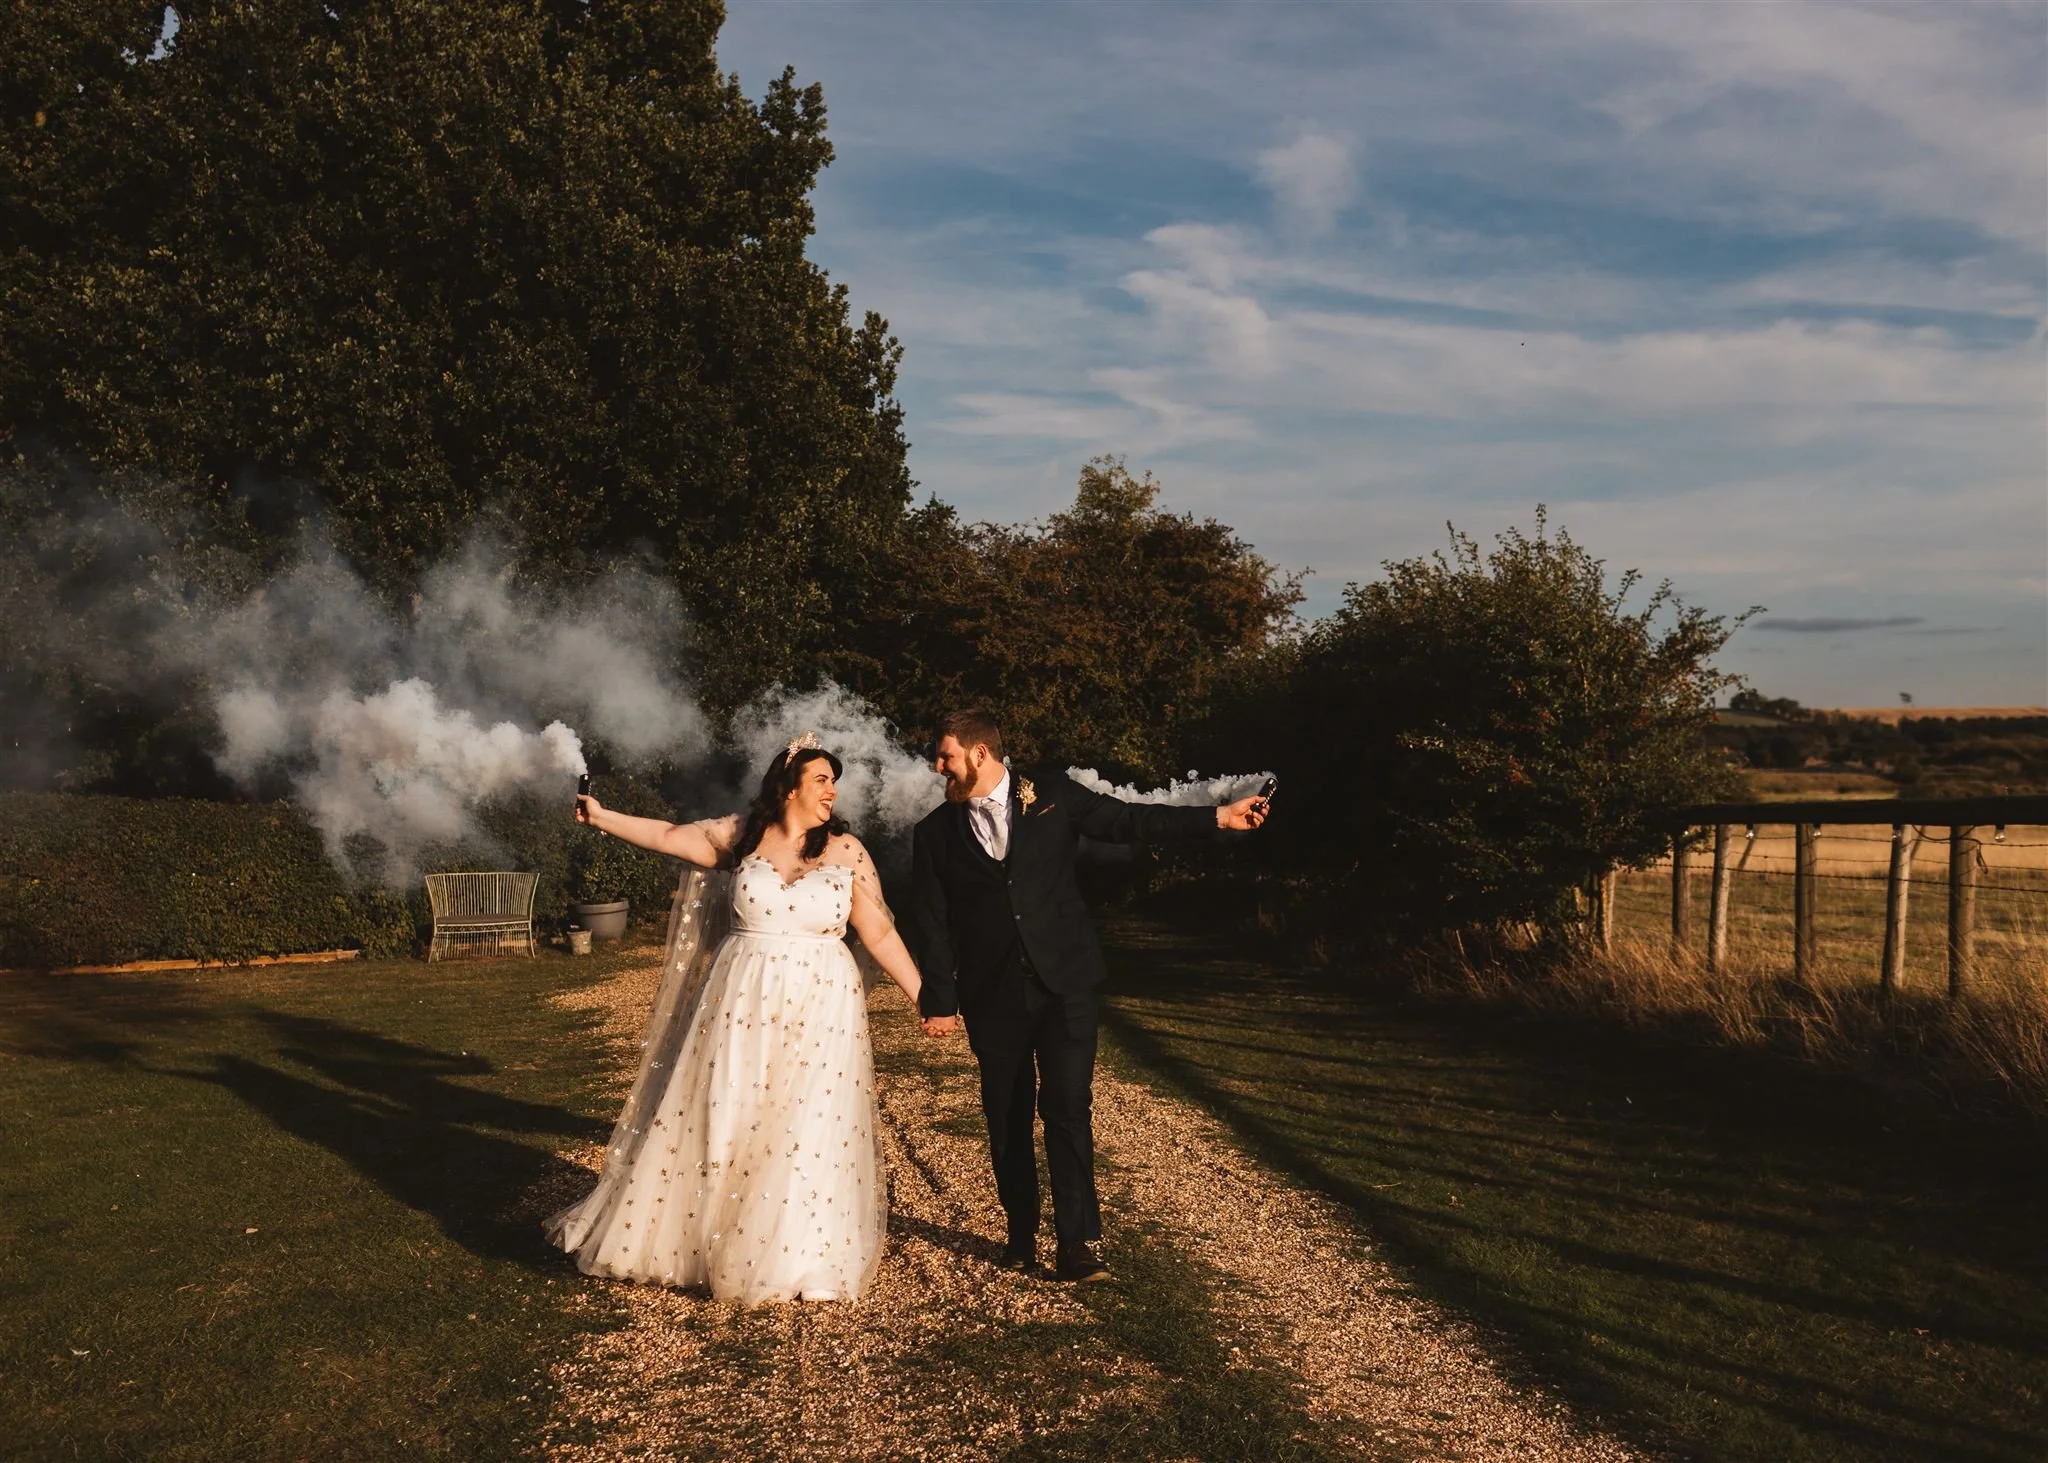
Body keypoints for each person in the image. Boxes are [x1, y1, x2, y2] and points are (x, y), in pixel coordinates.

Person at [545, 735, 924, 1304]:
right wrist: (603, 817)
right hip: (742, 1000)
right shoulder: (742, 834)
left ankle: (799, 1255)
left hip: (824, 1005)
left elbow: (880, 932)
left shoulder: (847, 851)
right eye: (822, 779)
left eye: (833, 781)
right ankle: (700, 1242)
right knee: (728, 1108)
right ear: (790, 784)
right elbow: (671, 837)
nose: (832, 791)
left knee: (808, 1121)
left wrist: (926, 997)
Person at [907, 708, 1269, 1282]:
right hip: (992, 994)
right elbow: (930, 920)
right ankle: (1020, 1234)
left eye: (945, 754)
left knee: (1068, 1111)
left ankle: (1078, 1244)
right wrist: (940, 998)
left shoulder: (1051, 794)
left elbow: (1129, 822)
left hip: (1067, 984)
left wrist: (1219, 819)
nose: (937, 765)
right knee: (1006, 1116)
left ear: (979, 754)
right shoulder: (933, 833)